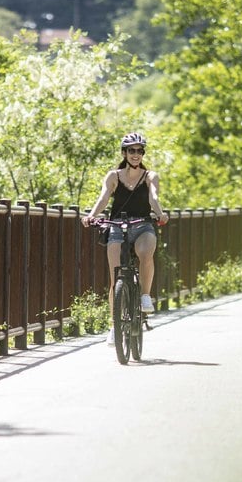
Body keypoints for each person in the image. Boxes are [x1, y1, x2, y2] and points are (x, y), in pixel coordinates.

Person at [82, 132, 169, 345]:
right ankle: (114, 326)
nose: (136, 154)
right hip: (117, 226)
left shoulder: (150, 176)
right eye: (131, 150)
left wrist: (160, 213)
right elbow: (103, 198)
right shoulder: (113, 176)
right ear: (124, 153)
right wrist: (92, 215)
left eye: (139, 151)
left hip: (142, 225)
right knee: (116, 278)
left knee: (146, 253)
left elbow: (153, 197)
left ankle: (145, 296)